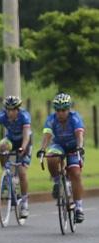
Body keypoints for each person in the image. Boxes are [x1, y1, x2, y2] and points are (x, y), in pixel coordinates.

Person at [36, 93, 85, 223]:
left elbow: (79, 134)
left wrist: (80, 147)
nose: (60, 113)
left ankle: (79, 207)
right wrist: (42, 149)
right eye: (58, 110)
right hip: (59, 145)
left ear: (68, 109)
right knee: (51, 157)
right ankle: (57, 182)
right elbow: (47, 135)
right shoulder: (51, 119)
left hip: (74, 147)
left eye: (63, 110)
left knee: (75, 173)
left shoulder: (75, 118)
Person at [0, 96, 32, 218]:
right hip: (11, 140)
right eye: (8, 110)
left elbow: (26, 135)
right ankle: (5, 172)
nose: (10, 112)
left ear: (18, 109)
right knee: (2, 146)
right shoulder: (3, 116)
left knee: (22, 172)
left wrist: (23, 147)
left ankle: (25, 202)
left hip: (24, 142)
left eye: (13, 110)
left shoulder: (24, 116)